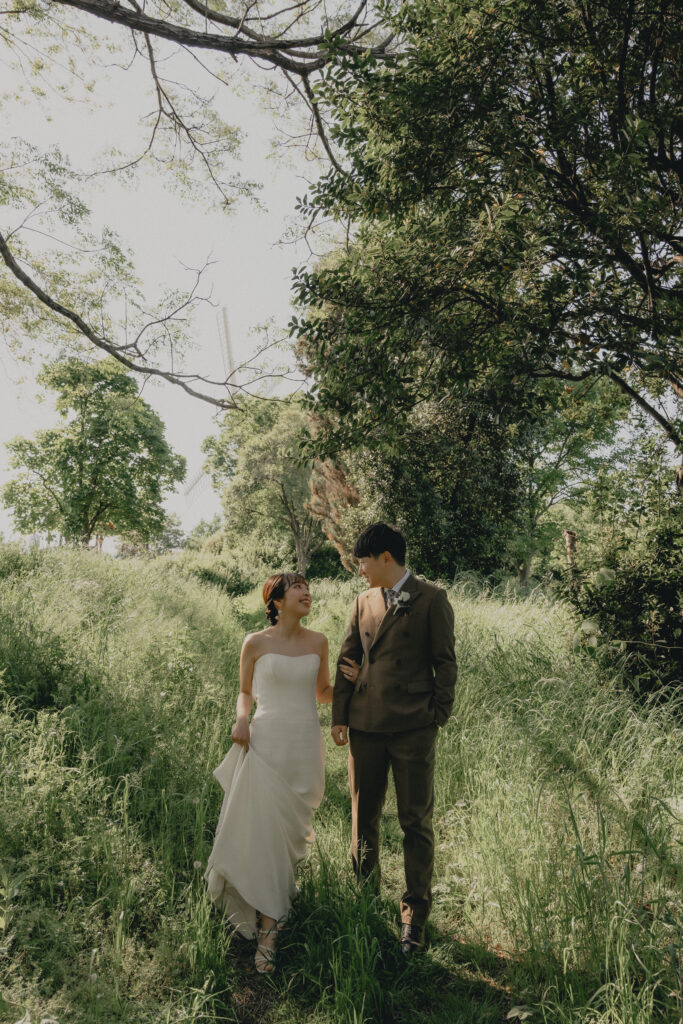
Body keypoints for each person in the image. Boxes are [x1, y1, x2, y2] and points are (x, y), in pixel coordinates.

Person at [332, 523, 457, 954]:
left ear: (386, 558)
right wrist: (340, 716)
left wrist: (437, 715)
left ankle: (414, 917)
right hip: (365, 725)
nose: (360, 570)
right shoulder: (362, 600)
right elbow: (347, 657)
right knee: (363, 817)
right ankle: (365, 900)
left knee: (415, 822)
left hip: (413, 728)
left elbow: (445, 662)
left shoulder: (432, 598)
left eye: (363, 562)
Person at [204, 572, 333, 973]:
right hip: (266, 742)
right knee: (264, 832)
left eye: (307, 587)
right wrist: (242, 719)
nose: (306, 592)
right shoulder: (255, 642)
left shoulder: (319, 642)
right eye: (297, 588)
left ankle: (276, 899)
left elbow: (323, 694)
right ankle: (268, 933)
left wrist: (358, 681)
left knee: (289, 835)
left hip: (304, 745)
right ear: (276, 600)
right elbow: (245, 691)